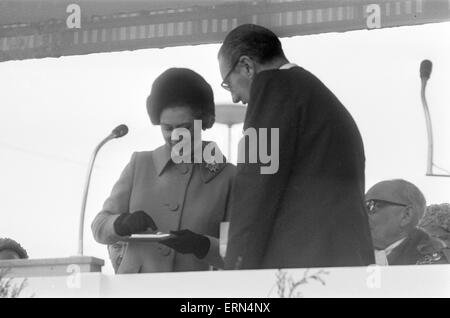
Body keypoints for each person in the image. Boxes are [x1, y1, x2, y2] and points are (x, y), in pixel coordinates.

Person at [217, 24, 374, 269]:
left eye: (229, 84)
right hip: (341, 259)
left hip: (300, 268)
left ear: (247, 66)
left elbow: (256, 186)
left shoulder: (273, 88)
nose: (235, 98)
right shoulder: (312, 92)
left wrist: (237, 270)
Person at [92, 68, 235, 273]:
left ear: (204, 123)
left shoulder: (228, 178)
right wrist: (121, 223)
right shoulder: (139, 164)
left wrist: (202, 245)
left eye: (185, 127)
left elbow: (237, 254)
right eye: (168, 128)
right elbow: (99, 227)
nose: (176, 136)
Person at [366, 179, 449, 265]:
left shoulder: (438, 264)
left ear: (406, 215)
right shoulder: (355, 253)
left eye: (371, 206)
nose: (362, 214)